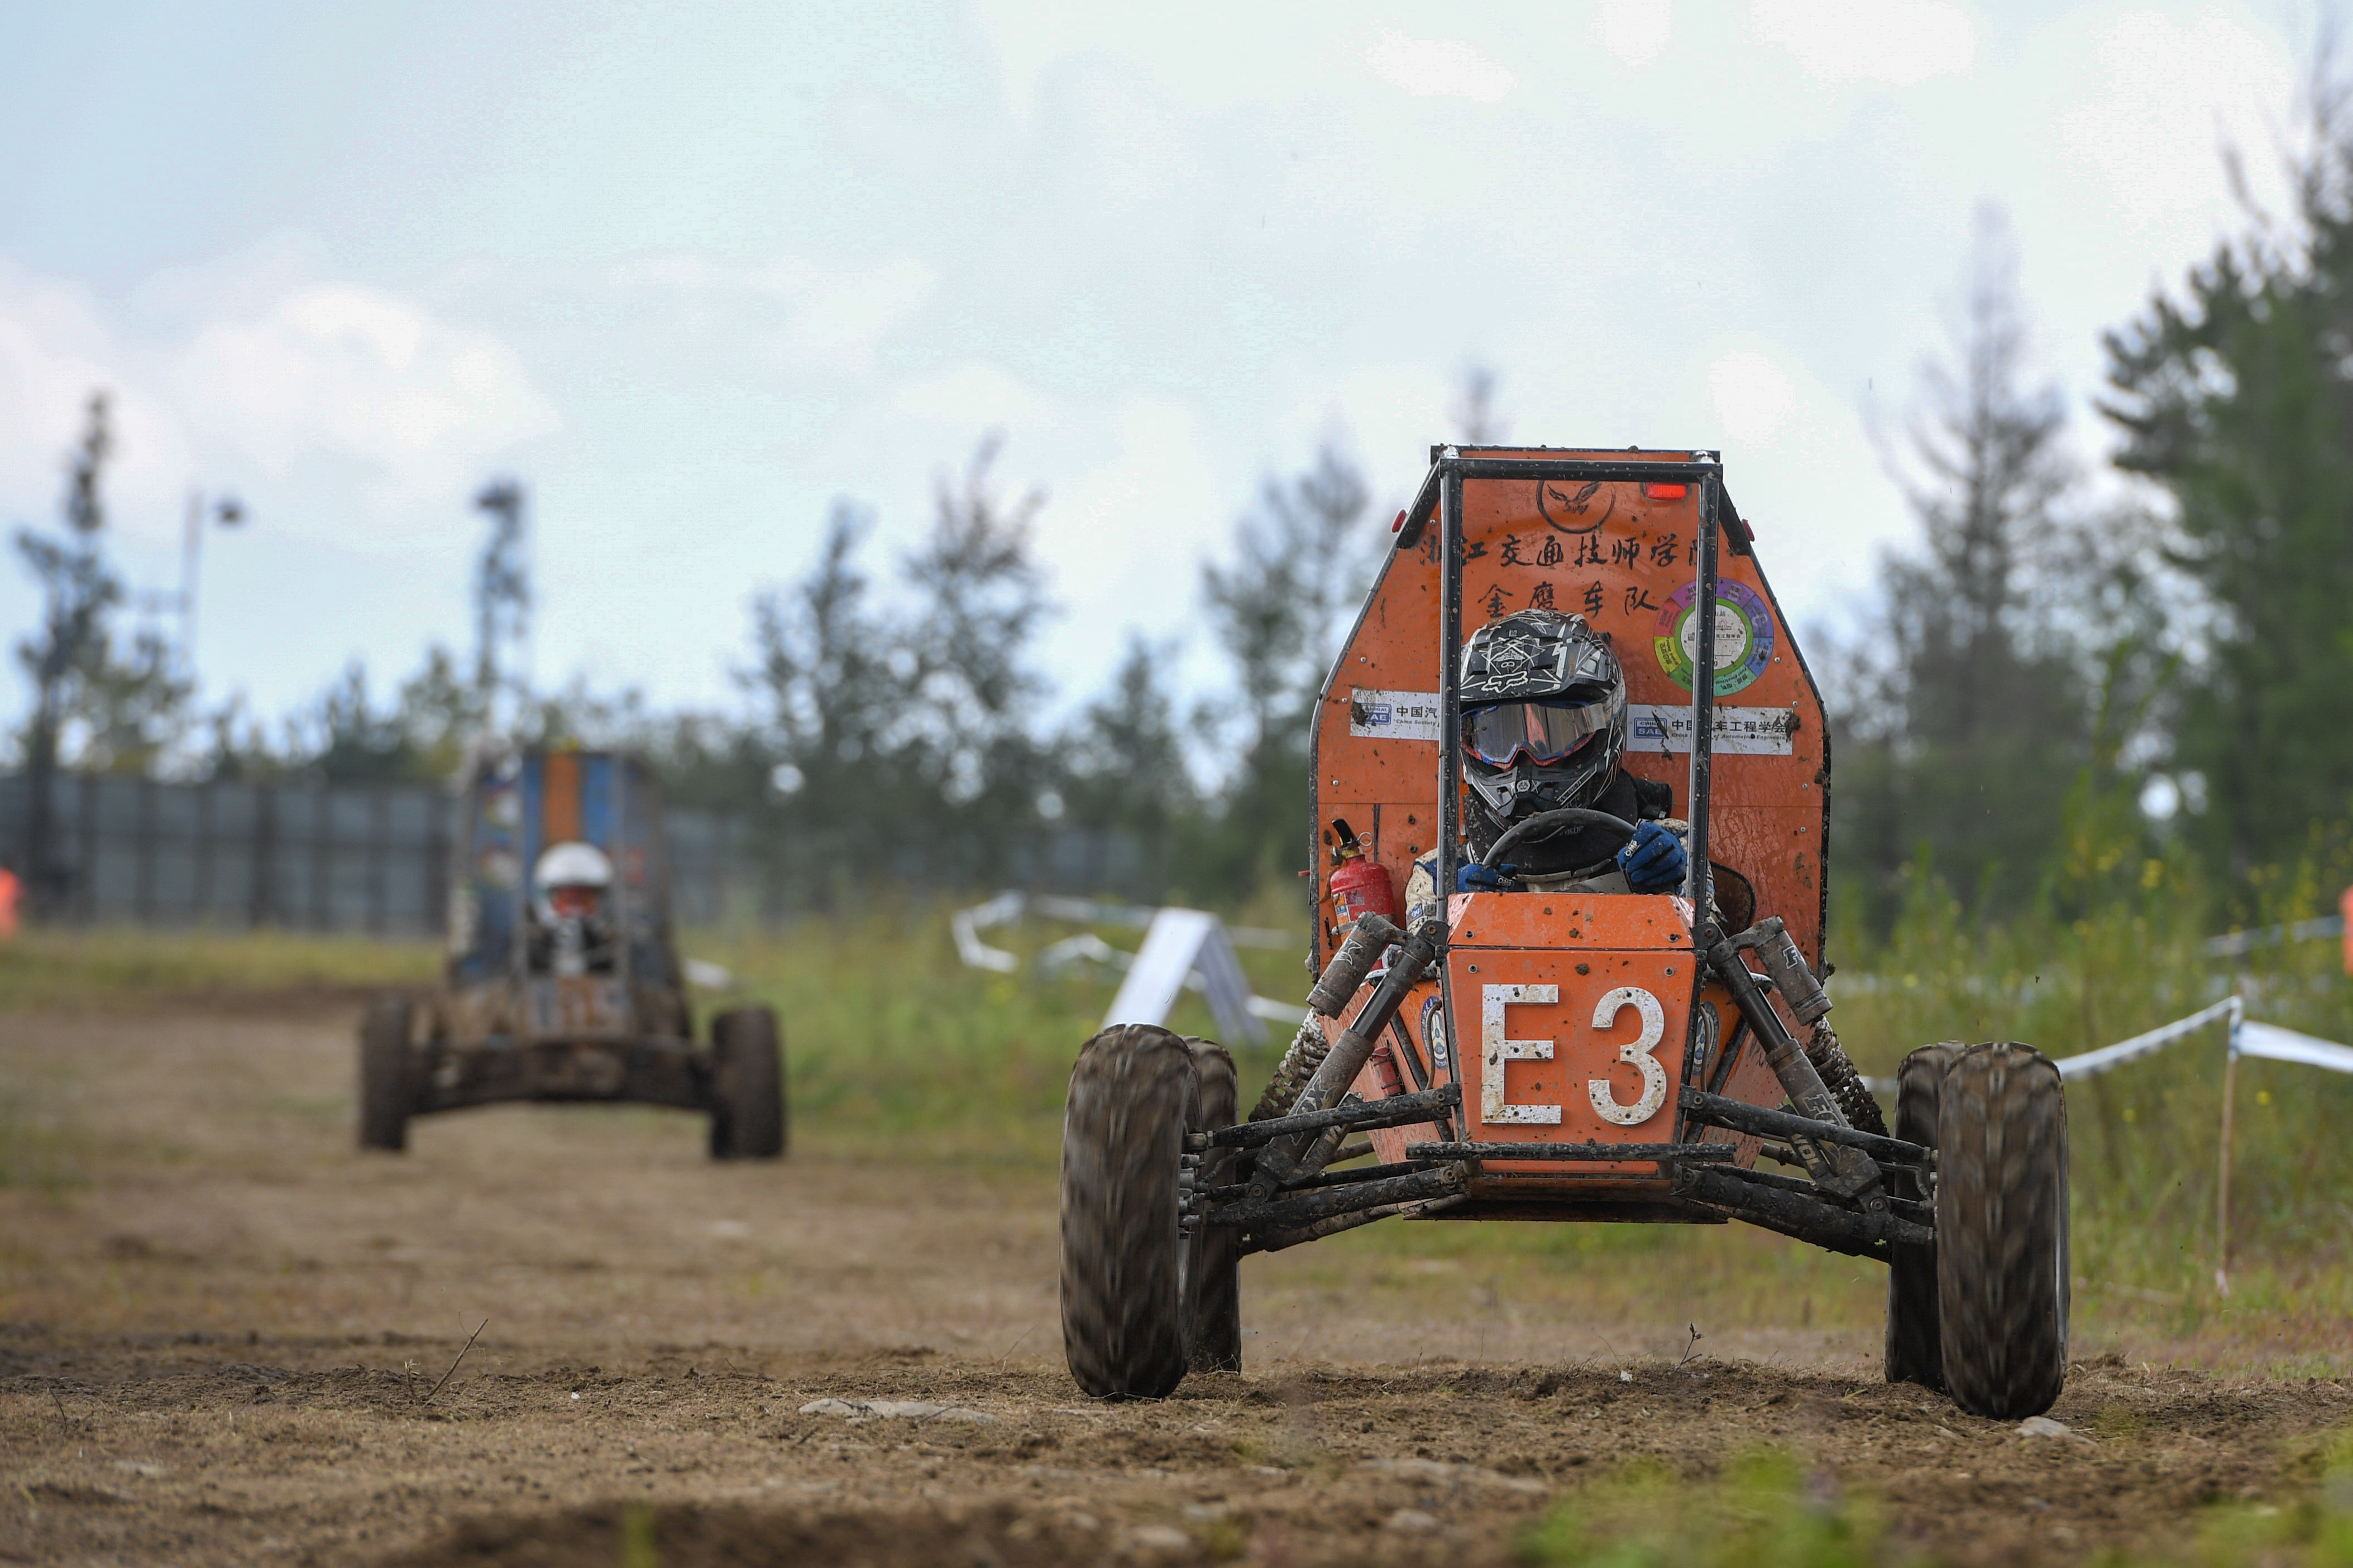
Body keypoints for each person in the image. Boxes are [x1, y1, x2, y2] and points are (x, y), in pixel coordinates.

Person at [1405, 609, 1688, 923]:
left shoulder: (1672, 848)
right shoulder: (1439, 875)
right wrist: (1455, 918)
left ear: (1604, 728)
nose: (1523, 760)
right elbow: (1423, 969)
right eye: (1498, 738)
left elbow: (1708, 951)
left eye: (1551, 734)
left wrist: (1667, 896)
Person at [529, 840, 616, 976]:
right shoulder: (529, 950)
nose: (575, 911)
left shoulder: (614, 951)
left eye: (585, 901)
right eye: (566, 901)